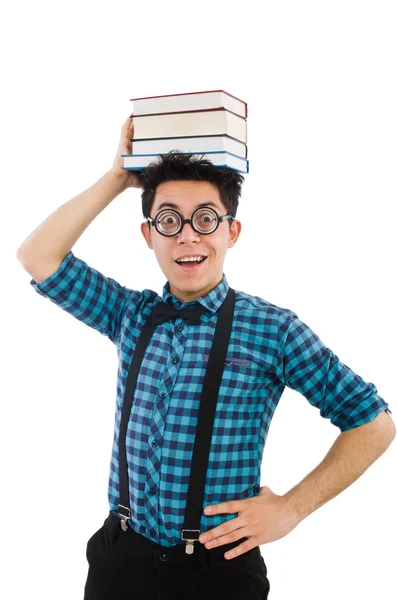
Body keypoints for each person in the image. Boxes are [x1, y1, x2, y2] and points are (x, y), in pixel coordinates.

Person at [16, 116, 395, 600]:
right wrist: (117, 177)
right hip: (121, 559)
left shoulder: (272, 328)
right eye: (169, 220)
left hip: (218, 572)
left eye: (206, 218)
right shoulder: (131, 314)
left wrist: (292, 509)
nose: (188, 236)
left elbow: (373, 422)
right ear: (149, 234)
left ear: (232, 231)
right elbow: (38, 256)